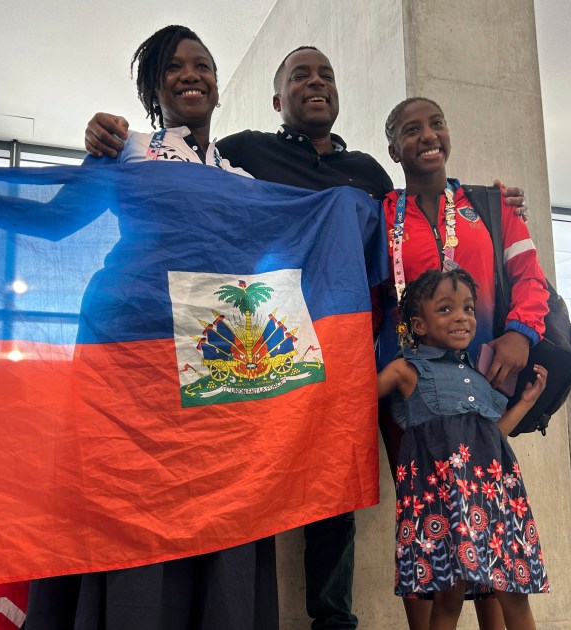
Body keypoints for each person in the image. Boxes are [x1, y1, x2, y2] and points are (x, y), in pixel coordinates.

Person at [83, 46, 531, 630]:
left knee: (378, 482)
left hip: (356, 345)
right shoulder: (244, 152)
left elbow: (413, 216)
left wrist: (488, 203)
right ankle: (285, 613)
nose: (315, 84)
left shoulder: (370, 173)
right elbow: (192, 181)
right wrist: (103, 140)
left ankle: (340, 615)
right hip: (276, 342)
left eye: (325, 76)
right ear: (277, 100)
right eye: (300, 76)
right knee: (290, 484)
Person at [24, 25, 277, 630]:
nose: (192, 75)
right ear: (152, 88)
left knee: (218, 494)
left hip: (219, 348)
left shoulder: (241, 177)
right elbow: (57, 221)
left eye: (204, 65)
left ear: (218, 85)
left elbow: (288, 246)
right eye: (174, 67)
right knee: (131, 489)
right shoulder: (128, 147)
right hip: (128, 344)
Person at [378, 97, 551, 629]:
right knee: (429, 523)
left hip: (483, 383)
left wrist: (521, 334)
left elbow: (528, 275)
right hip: (409, 388)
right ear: (394, 147)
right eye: (412, 130)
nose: (428, 136)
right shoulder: (379, 212)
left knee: (485, 518)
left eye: (437, 123)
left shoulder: (492, 205)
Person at [377, 267, 549, 630]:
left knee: (513, 593)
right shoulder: (407, 370)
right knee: (448, 597)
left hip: (493, 498)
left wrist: (525, 404)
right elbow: (352, 398)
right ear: (419, 325)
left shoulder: (479, 376)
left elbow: (491, 436)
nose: (461, 317)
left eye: (469, 309)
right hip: (443, 502)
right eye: (445, 309)